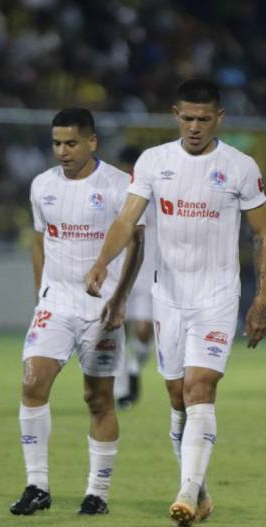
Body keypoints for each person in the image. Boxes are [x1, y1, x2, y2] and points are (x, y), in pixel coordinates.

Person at [84, 79, 266, 526]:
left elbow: (262, 233)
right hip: (167, 296)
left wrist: (263, 296)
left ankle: (187, 492)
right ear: (175, 114)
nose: (194, 127)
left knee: (199, 389)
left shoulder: (240, 167)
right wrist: (100, 263)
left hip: (217, 296)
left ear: (219, 118)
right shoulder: (154, 162)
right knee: (176, 397)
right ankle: (199, 487)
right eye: (187, 118)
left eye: (203, 119)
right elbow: (127, 219)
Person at [9, 108, 144, 517]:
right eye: (56, 143)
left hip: (101, 310)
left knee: (98, 398)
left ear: (92, 142)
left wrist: (119, 299)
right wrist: (41, 298)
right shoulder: (42, 186)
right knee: (33, 384)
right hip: (56, 304)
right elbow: (39, 243)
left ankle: (97, 494)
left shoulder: (121, 186)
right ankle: (37, 486)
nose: (62, 152)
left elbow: (137, 247)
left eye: (71, 143)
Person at [113, 146, 155, 409]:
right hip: (118, 274)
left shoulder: (155, 195)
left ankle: (134, 366)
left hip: (147, 273)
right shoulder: (113, 194)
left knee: (143, 331)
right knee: (117, 335)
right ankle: (120, 393)